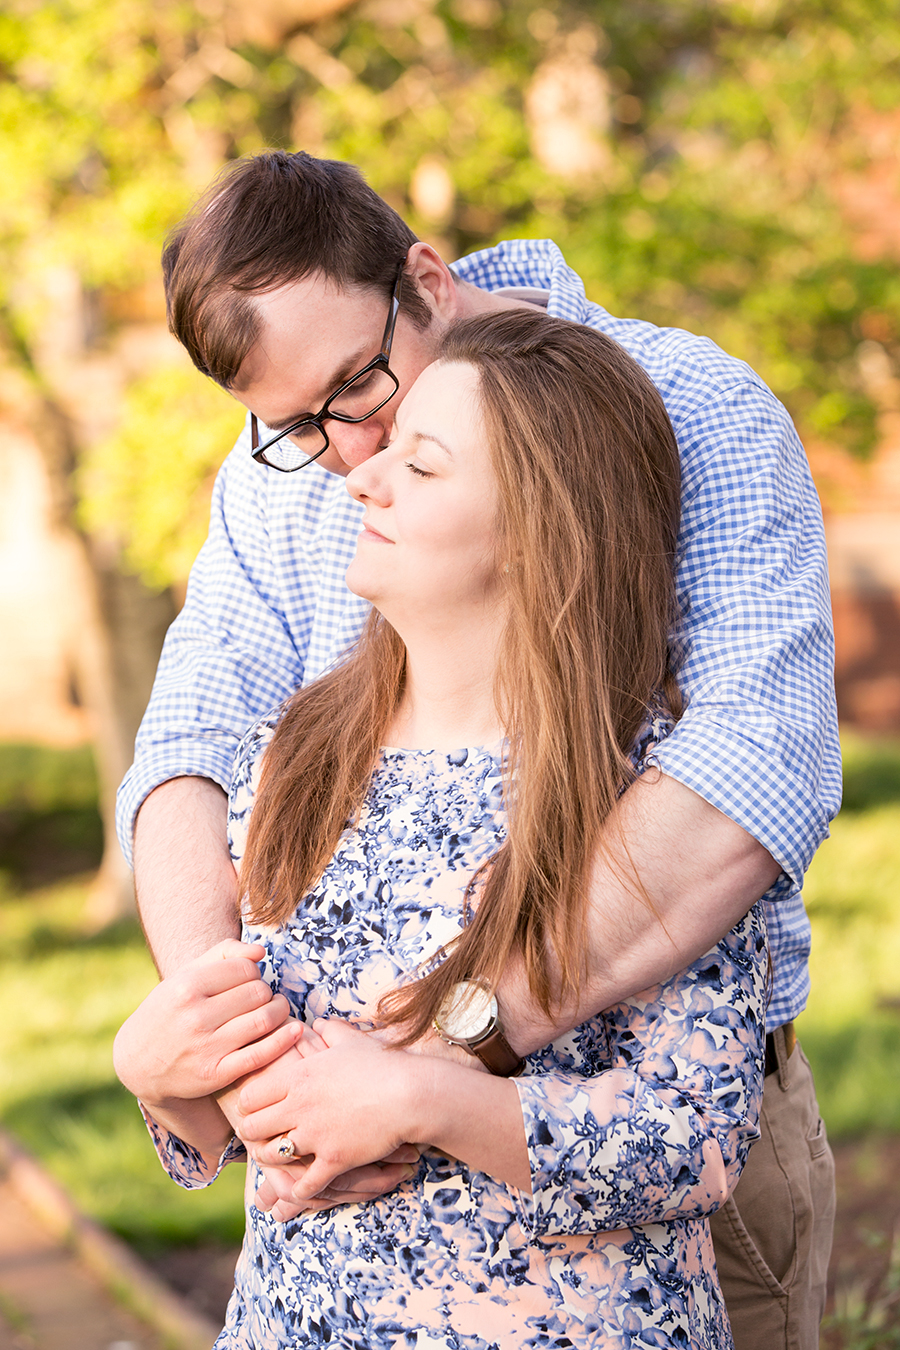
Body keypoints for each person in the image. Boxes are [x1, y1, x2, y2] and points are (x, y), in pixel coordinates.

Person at [117, 151, 839, 1349]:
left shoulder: (681, 405)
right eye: (297, 426)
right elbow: (188, 743)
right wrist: (219, 1051)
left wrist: (424, 1068)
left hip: (613, 1252)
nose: (351, 461)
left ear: (424, 278)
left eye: (360, 387)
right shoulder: (301, 518)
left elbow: (746, 774)